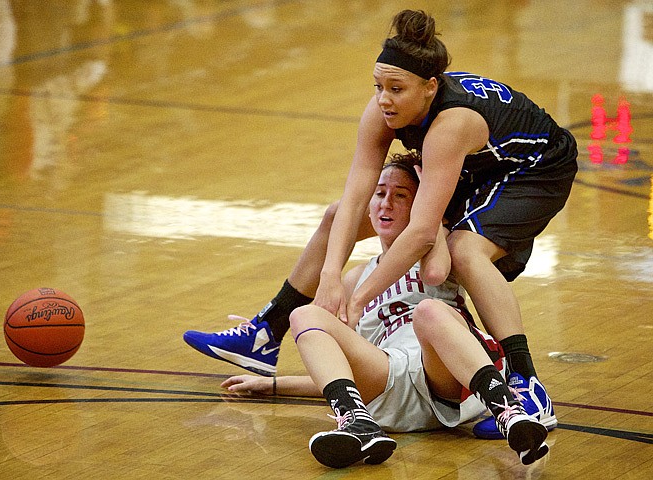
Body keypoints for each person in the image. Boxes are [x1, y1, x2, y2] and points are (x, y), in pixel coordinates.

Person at [184, 9, 577, 439]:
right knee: (336, 216)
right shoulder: (383, 110)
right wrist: (332, 275)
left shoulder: (451, 123)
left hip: (535, 169)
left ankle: (527, 385)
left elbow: (424, 232)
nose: (384, 99)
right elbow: (355, 199)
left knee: (464, 249)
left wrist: (357, 300)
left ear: (430, 88)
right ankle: (266, 333)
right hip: (473, 169)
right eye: (378, 87)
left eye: (395, 89)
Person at [219, 155, 549, 469]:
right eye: (379, 193)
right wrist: (275, 385)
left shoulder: (441, 250)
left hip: (443, 378)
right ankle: (356, 421)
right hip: (387, 384)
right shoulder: (355, 278)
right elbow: (343, 368)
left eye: (401, 195)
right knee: (303, 315)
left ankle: (507, 410)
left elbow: (433, 272)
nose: (385, 203)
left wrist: (431, 204)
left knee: (429, 311)